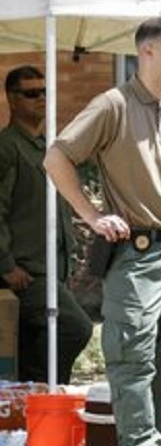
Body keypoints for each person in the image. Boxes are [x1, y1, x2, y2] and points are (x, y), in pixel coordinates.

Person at [44, 16, 161, 446]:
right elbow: (57, 158)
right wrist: (92, 215)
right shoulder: (112, 105)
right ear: (148, 53)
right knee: (131, 357)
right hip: (133, 252)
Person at [0, 65, 93, 384]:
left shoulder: (46, 148)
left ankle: (32, 403)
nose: (40, 98)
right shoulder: (7, 148)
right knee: (75, 328)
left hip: (53, 269)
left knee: (32, 345)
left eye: (44, 92)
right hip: (27, 273)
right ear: (12, 100)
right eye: (30, 93)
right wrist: (6, 265)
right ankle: (44, 390)